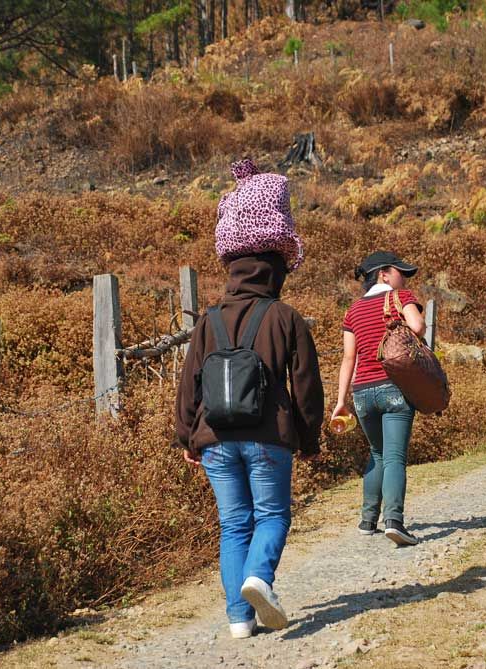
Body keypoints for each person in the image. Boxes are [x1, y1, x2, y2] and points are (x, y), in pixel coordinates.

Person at [174, 158, 324, 639]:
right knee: (274, 515)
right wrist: (308, 437)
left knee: (233, 525)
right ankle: (260, 577)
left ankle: (239, 619)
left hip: (214, 439)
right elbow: (305, 387)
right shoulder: (286, 318)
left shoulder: (208, 319)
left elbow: (189, 383)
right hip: (268, 439)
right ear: (277, 267)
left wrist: (187, 438)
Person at [331, 251, 426, 546]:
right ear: (384, 273)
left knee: (377, 454)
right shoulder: (400, 298)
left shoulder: (353, 310)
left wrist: (340, 400)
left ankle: (367, 520)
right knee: (395, 456)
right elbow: (419, 327)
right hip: (394, 387)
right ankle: (394, 521)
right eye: (400, 273)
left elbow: (349, 358)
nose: (404, 279)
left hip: (361, 392)